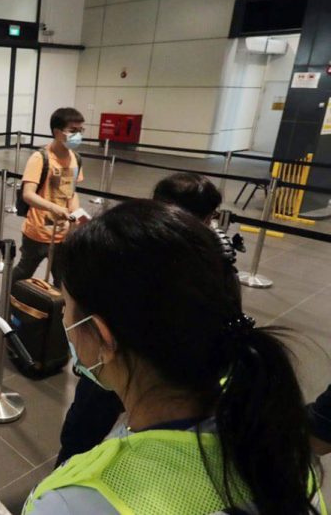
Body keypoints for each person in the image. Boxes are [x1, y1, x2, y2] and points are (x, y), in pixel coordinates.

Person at [25, 200, 324, 515]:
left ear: (103, 336)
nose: (66, 324)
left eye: (68, 310)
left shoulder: (71, 503)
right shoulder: (284, 453)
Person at [56, 172, 250, 466]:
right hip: (167, 376)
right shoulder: (210, 259)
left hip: (130, 363)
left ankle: (71, 461)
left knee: (86, 427)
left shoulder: (173, 257)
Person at [11, 107, 85, 287]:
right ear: (57, 132)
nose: (78, 135)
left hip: (64, 234)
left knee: (62, 279)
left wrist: (76, 214)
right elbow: (28, 194)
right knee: (24, 271)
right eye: (73, 131)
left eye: (80, 131)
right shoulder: (40, 158)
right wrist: (53, 208)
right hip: (38, 231)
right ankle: (8, 301)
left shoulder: (76, 158)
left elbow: (71, 192)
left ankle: (53, 313)